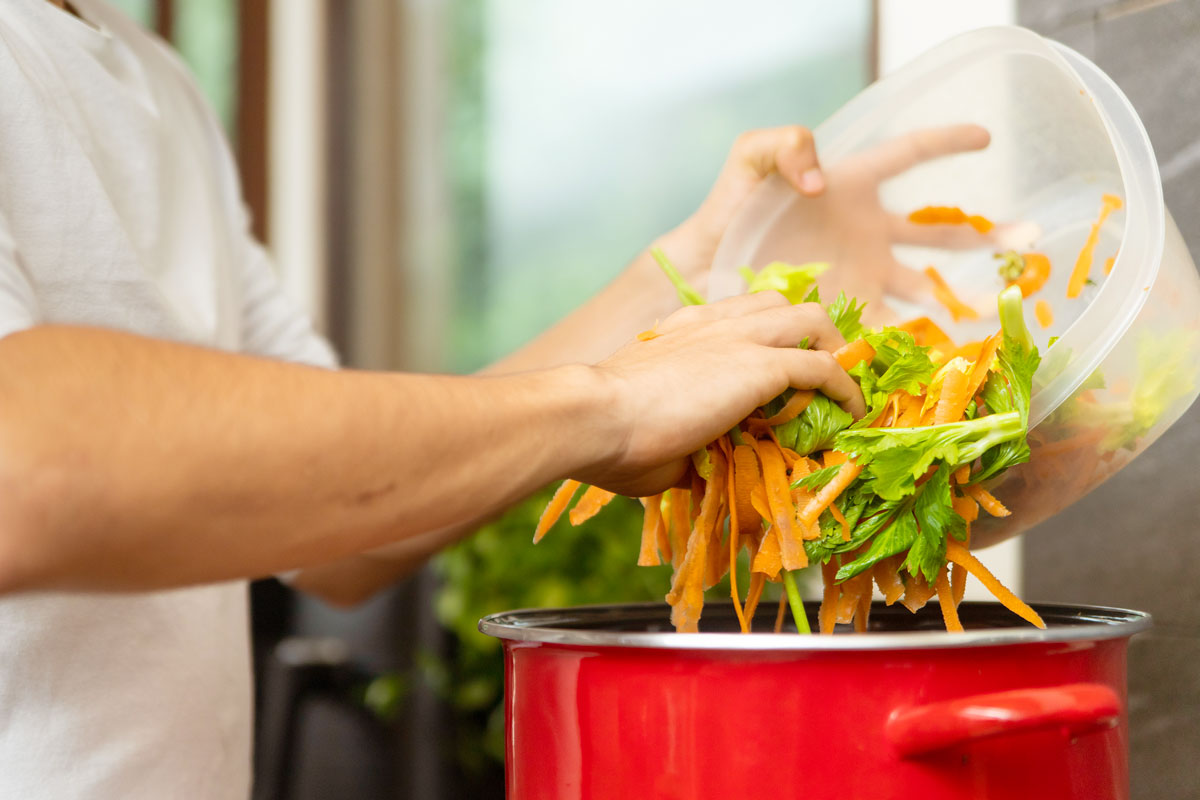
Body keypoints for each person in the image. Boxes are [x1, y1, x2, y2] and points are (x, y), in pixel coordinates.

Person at [0, 1, 990, 797]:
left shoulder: (153, 79)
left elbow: (342, 520)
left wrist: (696, 274)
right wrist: (607, 406)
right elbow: (25, 463)